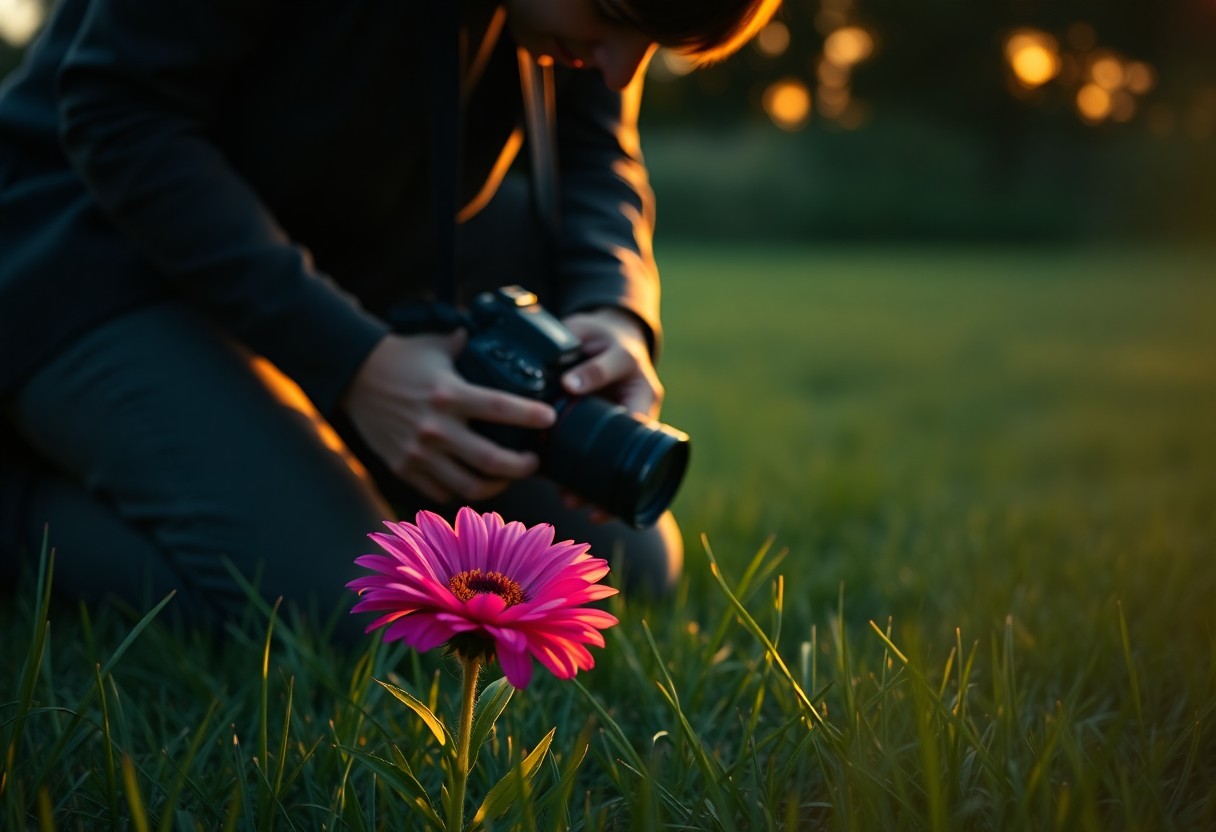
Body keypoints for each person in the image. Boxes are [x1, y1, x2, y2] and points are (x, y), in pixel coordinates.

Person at [0, 0, 781, 635]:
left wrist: (613, 313)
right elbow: (118, 116)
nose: (619, 67)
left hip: (355, 287)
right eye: (612, 21)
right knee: (341, 604)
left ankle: (282, 454)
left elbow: (597, 149)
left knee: (613, 566)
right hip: (86, 254)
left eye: (649, 47)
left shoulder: (578, 25)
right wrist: (355, 364)